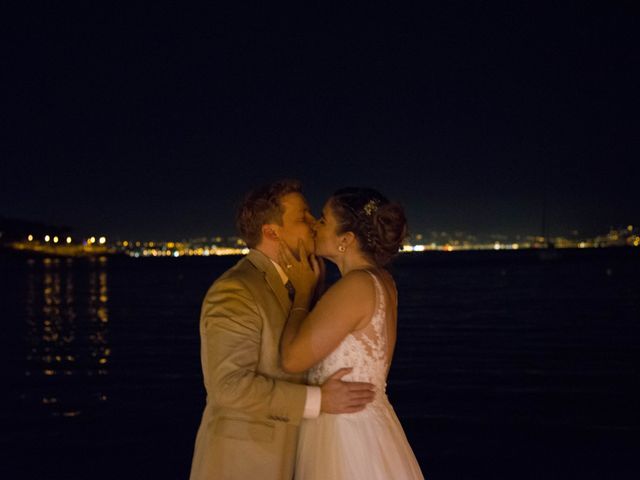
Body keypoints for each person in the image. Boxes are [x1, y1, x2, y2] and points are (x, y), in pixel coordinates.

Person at [189, 180, 376, 480]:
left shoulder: (305, 281)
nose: (314, 223)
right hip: (243, 465)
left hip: (295, 458)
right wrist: (319, 400)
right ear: (271, 232)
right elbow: (228, 386)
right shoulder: (236, 290)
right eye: (303, 217)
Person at [278, 187, 425, 479]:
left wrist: (303, 293)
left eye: (323, 220)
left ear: (346, 240)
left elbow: (292, 359)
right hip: (368, 425)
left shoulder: (356, 285)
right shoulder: (382, 281)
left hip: (346, 433)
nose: (315, 226)